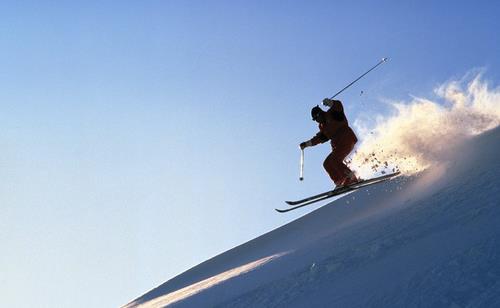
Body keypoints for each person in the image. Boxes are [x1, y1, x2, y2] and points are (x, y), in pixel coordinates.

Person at [300, 98, 359, 188]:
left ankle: (351, 178)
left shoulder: (332, 114)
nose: (317, 121)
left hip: (347, 139)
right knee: (327, 163)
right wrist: (306, 144)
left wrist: (330, 102)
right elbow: (319, 138)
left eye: (316, 118)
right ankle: (339, 180)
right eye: (315, 119)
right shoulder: (323, 127)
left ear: (320, 114)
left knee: (335, 160)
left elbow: (338, 106)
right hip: (338, 145)